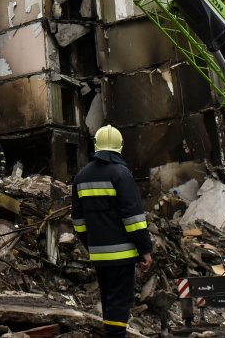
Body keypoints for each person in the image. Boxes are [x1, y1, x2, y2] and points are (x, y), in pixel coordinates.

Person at [71, 125, 153, 337]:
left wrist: (91, 243)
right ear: (119, 146)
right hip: (122, 254)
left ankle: (110, 332)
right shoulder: (121, 173)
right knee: (119, 300)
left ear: (97, 146)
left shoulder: (81, 177)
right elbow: (133, 218)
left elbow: (78, 221)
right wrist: (145, 250)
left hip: (98, 253)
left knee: (108, 298)